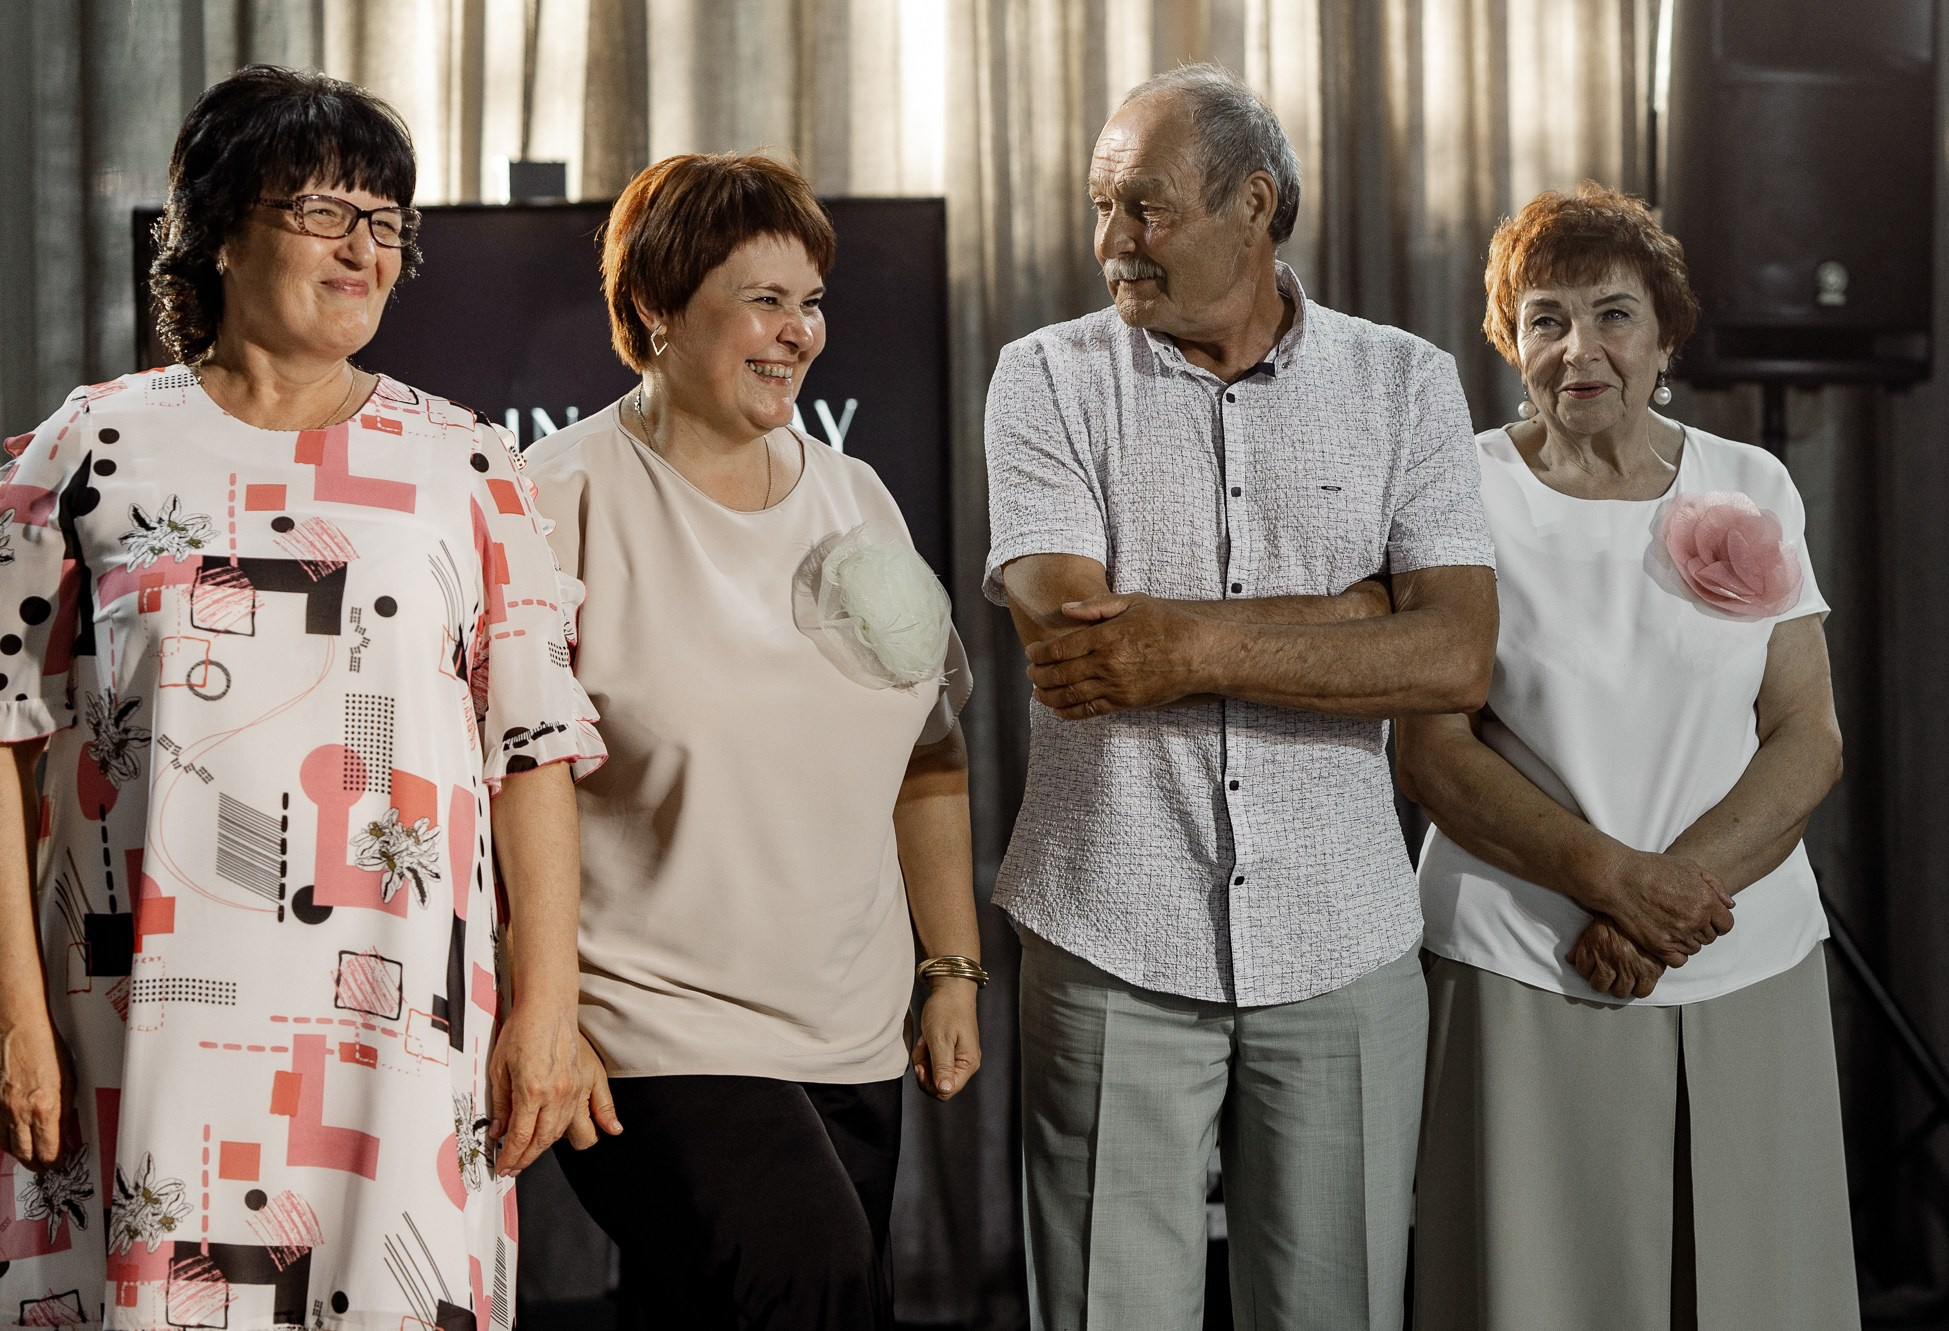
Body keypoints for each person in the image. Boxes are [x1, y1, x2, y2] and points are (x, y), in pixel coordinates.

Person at [0, 65, 605, 1329]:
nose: (365, 247)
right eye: (326, 210)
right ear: (220, 232)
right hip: (132, 1022)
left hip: (401, 1024)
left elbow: (531, 749)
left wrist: (548, 1007)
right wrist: (12, 1014)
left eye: (386, 221)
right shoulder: (90, 447)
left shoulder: (467, 462)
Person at [983, 64, 1498, 1330]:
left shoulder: (1407, 382)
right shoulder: (1044, 378)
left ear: (1253, 203)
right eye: (1099, 207)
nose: (1112, 243)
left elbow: (1453, 657)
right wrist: (1354, 616)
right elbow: (1081, 642)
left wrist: (1192, 642)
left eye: (1143, 209)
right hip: (1108, 930)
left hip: (1342, 944)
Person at [528, 151, 981, 1331]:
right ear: (657, 310)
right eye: (763, 299)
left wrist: (949, 965)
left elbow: (926, 752)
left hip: (850, 1025)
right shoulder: (554, 500)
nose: (798, 332)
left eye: (811, 301)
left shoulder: (856, 496)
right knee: (811, 1285)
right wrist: (540, 1013)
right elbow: (494, 794)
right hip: (654, 1026)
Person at [1398, 181, 1858, 1330]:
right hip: (1523, 963)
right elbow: (1430, 748)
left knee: (1760, 1288)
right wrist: (1612, 886)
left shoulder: (1748, 484)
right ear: (1508, 343)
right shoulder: (1453, 489)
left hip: (1744, 956)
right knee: (1538, 1292)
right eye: (1544, 317)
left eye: (1612, 314)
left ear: (1662, 338)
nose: (1579, 347)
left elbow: (1806, 735)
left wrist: (1668, 896)